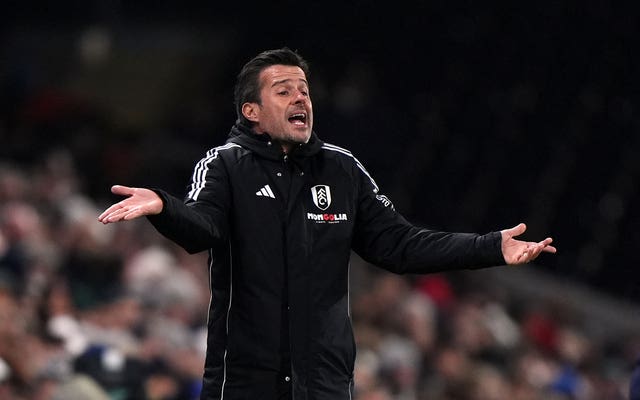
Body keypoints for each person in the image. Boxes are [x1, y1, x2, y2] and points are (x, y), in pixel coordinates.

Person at [98, 47, 556, 400]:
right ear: (251, 111)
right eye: (283, 90)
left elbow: (400, 245)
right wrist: (163, 204)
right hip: (245, 381)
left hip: (325, 382)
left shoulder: (343, 170)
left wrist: (489, 247)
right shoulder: (225, 166)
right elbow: (203, 228)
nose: (301, 96)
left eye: (304, 89)